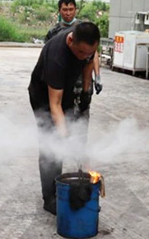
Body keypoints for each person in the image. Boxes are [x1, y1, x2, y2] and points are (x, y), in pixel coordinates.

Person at [28, 22, 100, 215]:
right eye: (81, 52)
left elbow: (89, 62)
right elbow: (55, 105)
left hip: (65, 90)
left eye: (89, 52)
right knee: (52, 143)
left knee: (73, 135)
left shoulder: (86, 44)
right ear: (70, 41)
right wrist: (65, 136)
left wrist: (86, 91)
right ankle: (50, 197)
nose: (84, 56)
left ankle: (76, 185)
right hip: (43, 96)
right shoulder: (56, 57)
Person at [46, 0, 103, 98]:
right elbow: (48, 58)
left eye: (71, 9)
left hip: (82, 81)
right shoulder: (54, 32)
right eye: (65, 10)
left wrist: (97, 76)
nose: (68, 13)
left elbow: (93, 54)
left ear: (75, 10)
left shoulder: (84, 29)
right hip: (62, 82)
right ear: (59, 11)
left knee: (83, 106)